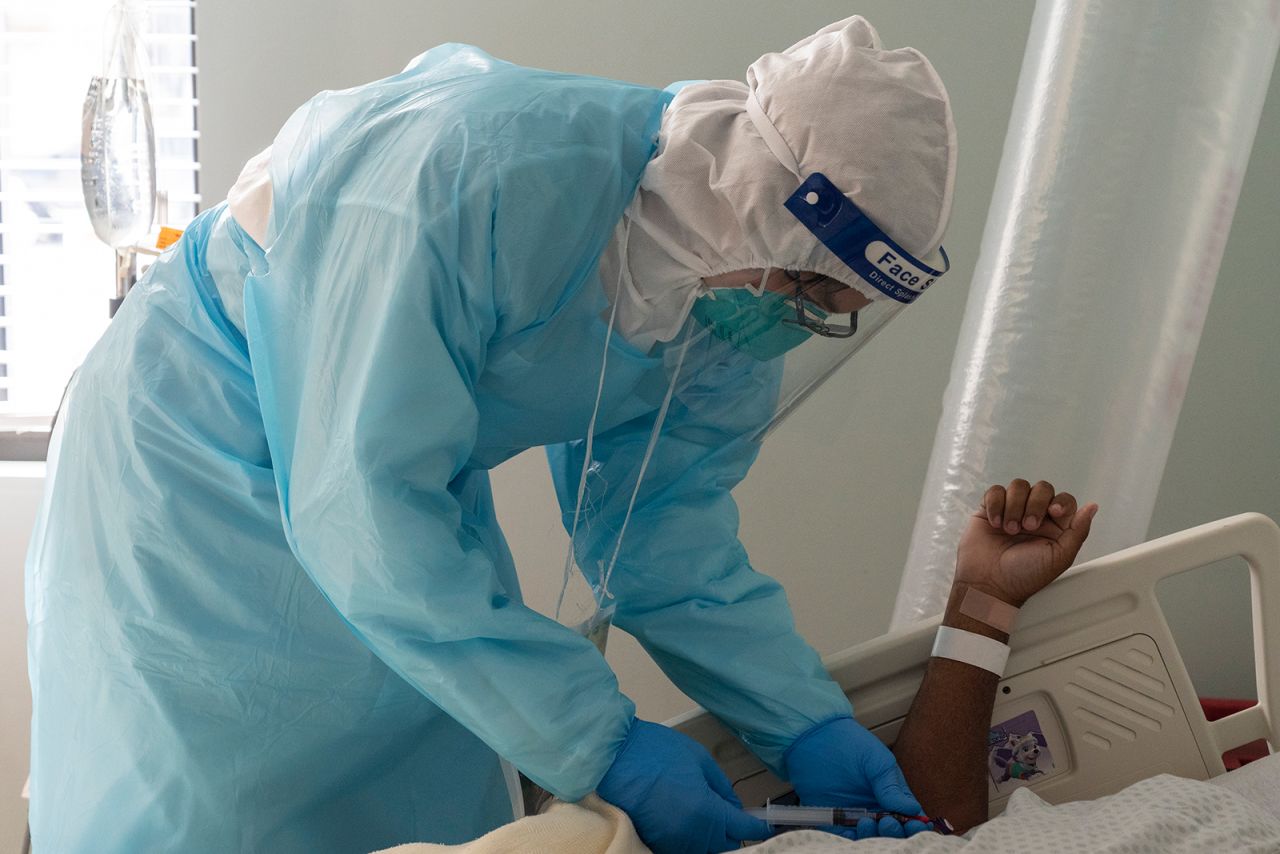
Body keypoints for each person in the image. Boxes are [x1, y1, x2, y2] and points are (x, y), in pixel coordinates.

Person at [26, 15, 956, 854]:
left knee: (416, 763)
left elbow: (661, 534)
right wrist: (604, 743)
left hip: (376, 497)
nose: (808, 323)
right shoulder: (472, 169)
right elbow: (358, 508)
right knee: (213, 784)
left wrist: (803, 724)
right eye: (813, 293)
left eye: (842, 309)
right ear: (760, 205)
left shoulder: (730, 305)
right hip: (188, 462)